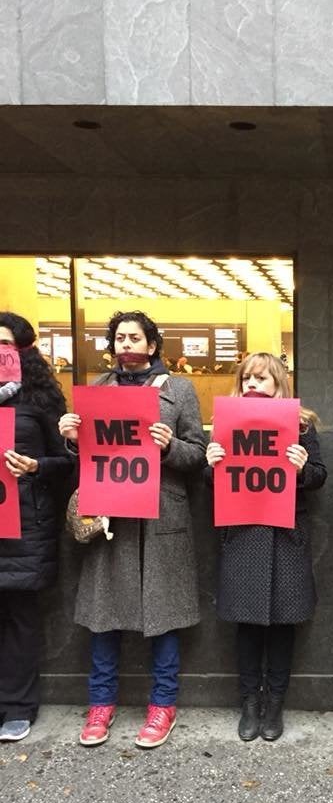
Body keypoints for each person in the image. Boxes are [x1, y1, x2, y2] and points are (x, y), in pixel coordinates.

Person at [58, 311, 206, 749]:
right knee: (105, 616)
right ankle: (100, 704)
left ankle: (163, 704)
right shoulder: (96, 391)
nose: (126, 344)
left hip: (162, 515)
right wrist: (70, 437)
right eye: (119, 337)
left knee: (164, 617)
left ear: (153, 345)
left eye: (135, 337)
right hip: (111, 515)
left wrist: (169, 446)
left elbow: (197, 455)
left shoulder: (180, 389)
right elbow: (82, 457)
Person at [206, 353, 326, 742]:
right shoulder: (225, 426)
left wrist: (302, 467)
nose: (253, 386)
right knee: (247, 625)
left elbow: (320, 477)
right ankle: (248, 702)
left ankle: (274, 703)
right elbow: (213, 481)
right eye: (246, 380)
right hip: (243, 534)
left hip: (286, 537)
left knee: (282, 626)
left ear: (279, 385)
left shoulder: (302, 426)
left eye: (262, 379)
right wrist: (212, 464)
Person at [0, 313, 73, 743]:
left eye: (5, 343)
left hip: (24, 528)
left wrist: (35, 466)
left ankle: (17, 706)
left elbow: (68, 463)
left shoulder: (40, 400)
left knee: (20, 621)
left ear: (23, 350)